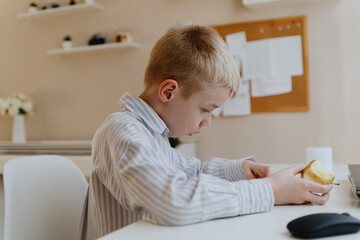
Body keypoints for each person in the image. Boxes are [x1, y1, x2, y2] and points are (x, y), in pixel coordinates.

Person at [77, 23, 333, 240]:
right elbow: (172, 202)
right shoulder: (122, 131)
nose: (207, 121)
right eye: (205, 109)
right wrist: (270, 190)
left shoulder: (152, 134)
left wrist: (238, 170)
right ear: (168, 91)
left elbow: (192, 172)